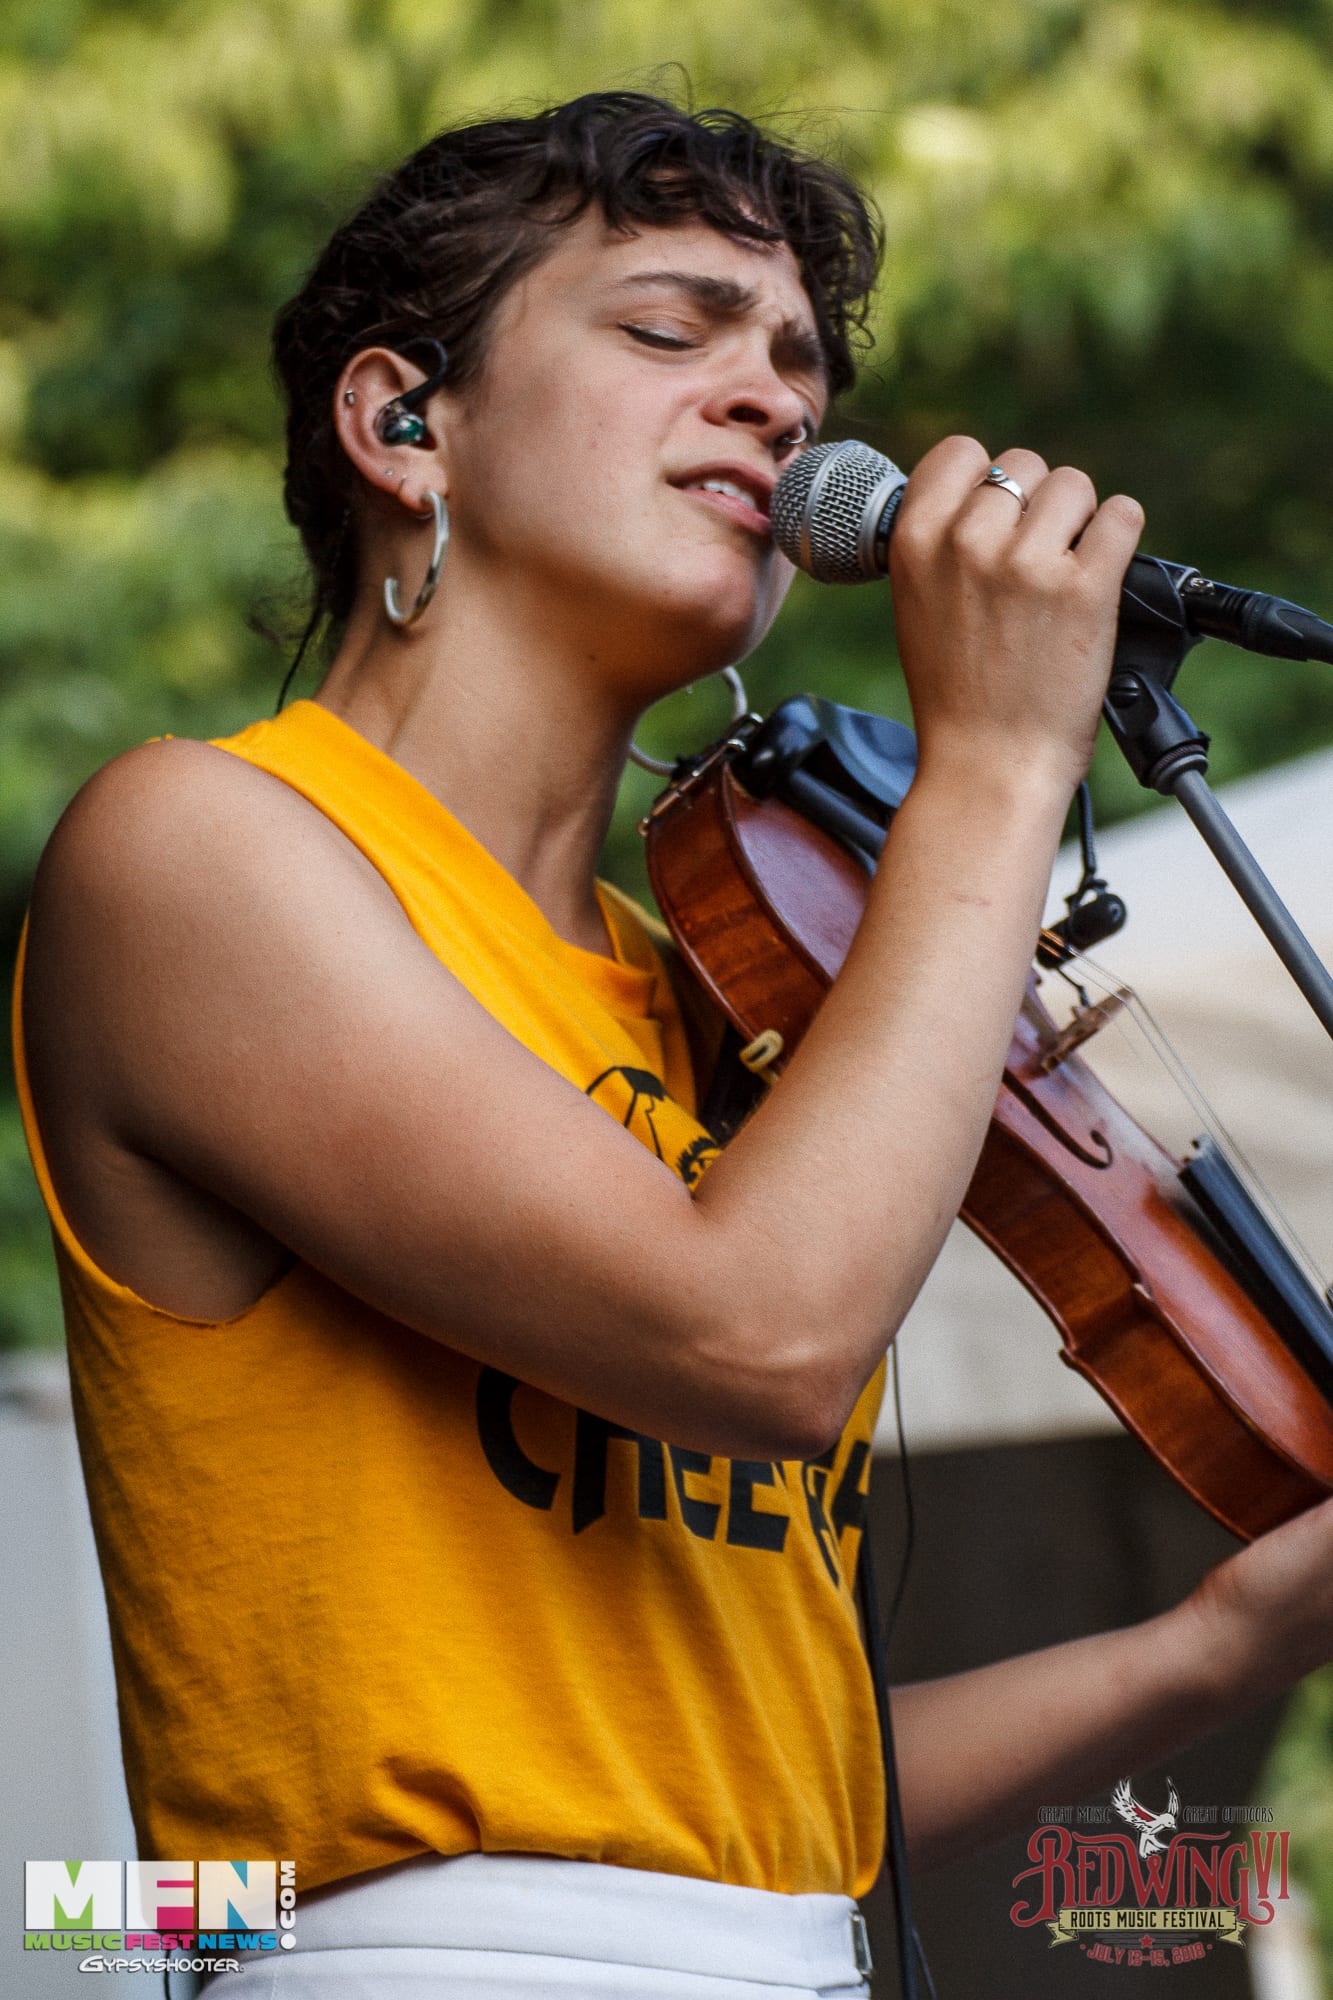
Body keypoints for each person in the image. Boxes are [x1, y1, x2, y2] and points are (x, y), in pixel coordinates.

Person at [13, 91, 1333, 2000]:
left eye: (797, 365)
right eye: (667, 328)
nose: (777, 403)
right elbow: (762, 1342)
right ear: (400, 423)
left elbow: (741, 1799)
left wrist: (1212, 1646)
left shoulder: (709, 993)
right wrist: (995, 763)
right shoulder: (200, 849)